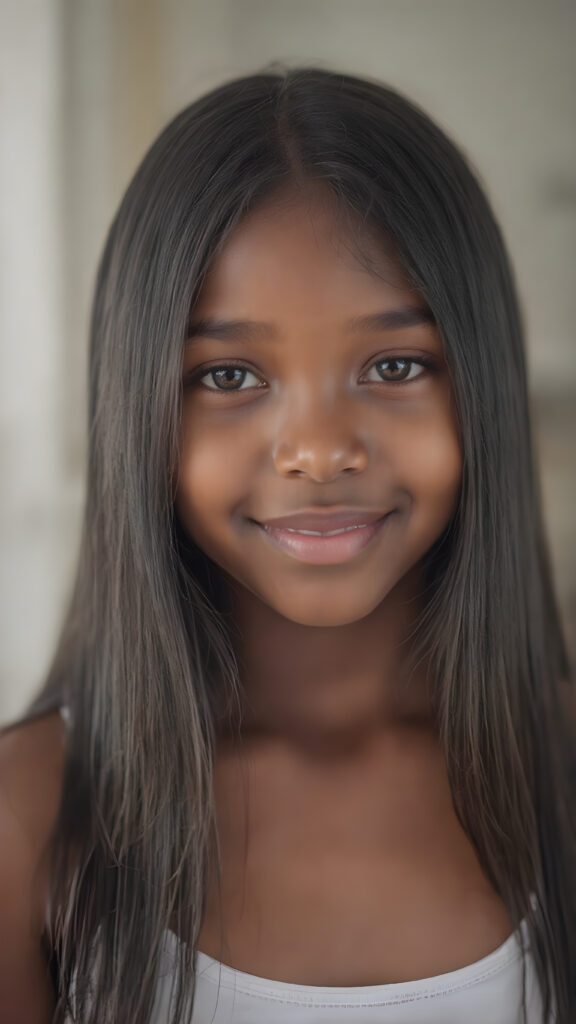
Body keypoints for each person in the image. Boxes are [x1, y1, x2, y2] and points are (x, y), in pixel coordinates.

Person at [0, 65, 573, 1024]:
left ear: (483, 384)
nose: (317, 450)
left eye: (394, 364)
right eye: (228, 374)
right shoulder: (28, 819)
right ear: (136, 405)